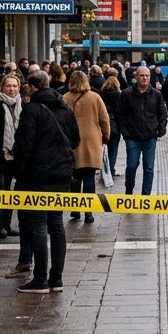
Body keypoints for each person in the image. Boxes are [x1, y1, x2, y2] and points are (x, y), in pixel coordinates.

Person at [13, 71, 79, 294]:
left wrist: (20, 174)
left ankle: (40, 278)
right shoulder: (64, 108)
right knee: (56, 224)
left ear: (32, 87)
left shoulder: (31, 110)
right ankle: (57, 279)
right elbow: (76, 139)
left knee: (38, 225)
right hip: (61, 174)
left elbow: (24, 145)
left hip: (37, 176)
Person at [63, 70, 109, 223]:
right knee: (89, 176)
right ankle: (89, 212)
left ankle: (75, 210)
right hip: (92, 140)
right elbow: (104, 119)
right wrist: (105, 136)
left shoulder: (65, 98)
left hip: (72, 141)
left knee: (75, 176)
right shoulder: (95, 97)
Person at [0, 75, 24, 243]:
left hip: (14, 156)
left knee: (10, 191)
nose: (12, 89)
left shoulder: (20, 104)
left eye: (15, 86)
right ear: (2, 87)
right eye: (8, 86)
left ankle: (7, 225)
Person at [117, 65, 168, 195]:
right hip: (132, 137)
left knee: (149, 168)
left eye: (147, 76)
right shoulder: (127, 94)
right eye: (142, 75)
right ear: (136, 77)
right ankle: (129, 191)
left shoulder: (156, 95)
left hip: (150, 137)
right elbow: (120, 114)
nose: (145, 78)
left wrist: (160, 129)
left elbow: (162, 113)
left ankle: (146, 196)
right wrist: (125, 132)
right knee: (132, 166)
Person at [100, 72, 123, 177]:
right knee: (113, 149)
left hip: (101, 125)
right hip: (115, 125)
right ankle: (111, 169)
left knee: (102, 148)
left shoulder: (101, 94)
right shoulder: (119, 95)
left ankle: (102, 168)